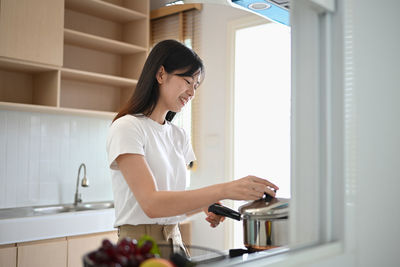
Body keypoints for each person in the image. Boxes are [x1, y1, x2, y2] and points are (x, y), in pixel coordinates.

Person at [106, 39, 279, 254]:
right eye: (188, 81)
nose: (192, 92)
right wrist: (225, 189)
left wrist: (205, 205)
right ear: (161, 75)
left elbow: (171, 203)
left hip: (175, 242)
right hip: (139, 246)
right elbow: (151, 204)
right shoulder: (127, 127)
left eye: (196, 86)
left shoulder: (179, 135)